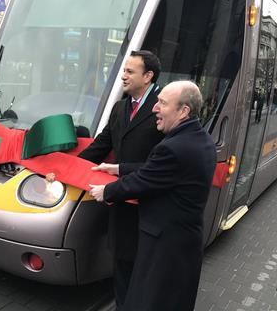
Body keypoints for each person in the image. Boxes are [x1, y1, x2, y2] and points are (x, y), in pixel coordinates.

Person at [89, 80, 217, 311]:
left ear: (183, 111)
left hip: (165, 246)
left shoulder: (173, 147)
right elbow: (158, 170)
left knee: (149, 302)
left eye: (162, 103)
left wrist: (106, 191)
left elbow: (144, 180)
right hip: (183, 242)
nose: (154, 108)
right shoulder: (199, 137)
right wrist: (117, 168)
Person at [78, 50, 164, 310]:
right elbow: (101, 146)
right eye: (123, 70)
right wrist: (64, 166)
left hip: (150, 206)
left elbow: (165, 164)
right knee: (122, 265)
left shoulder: (163, 107)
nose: (123, 76)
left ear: (148, 76)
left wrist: (121, 170)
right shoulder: (120, 107)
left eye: (129, 71)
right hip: (121, 204)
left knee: (146, 270)